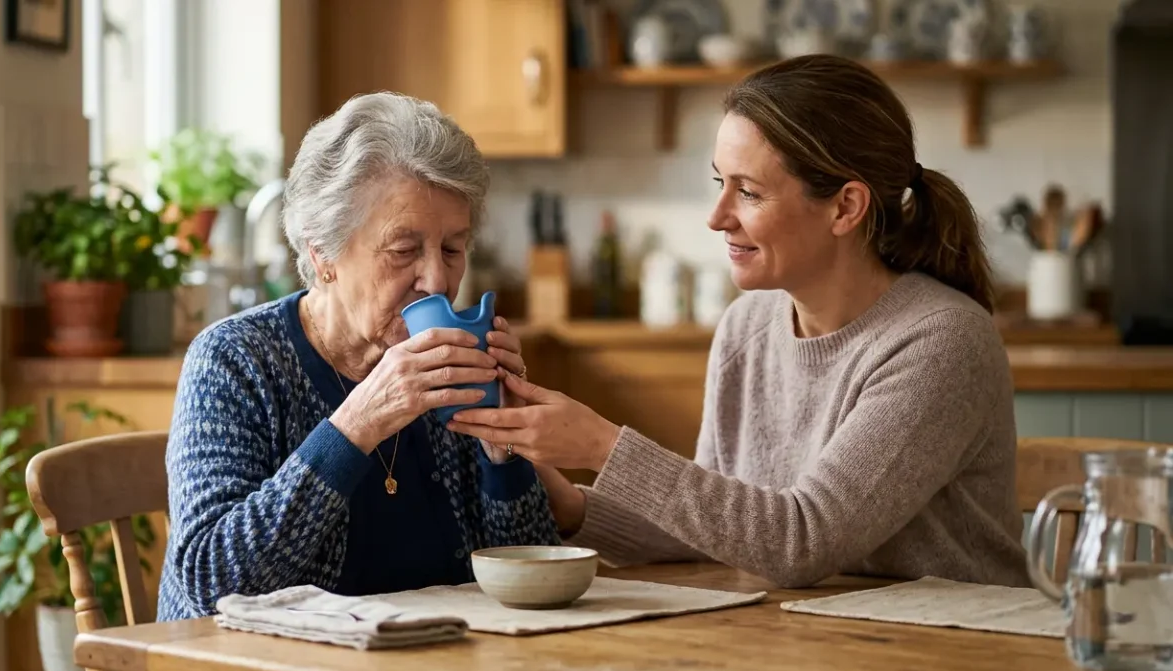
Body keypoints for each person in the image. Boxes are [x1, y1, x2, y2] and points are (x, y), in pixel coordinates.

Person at [447, 55, 1029, 588]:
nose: (717, 216)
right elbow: (717, 523)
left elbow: (802, 540)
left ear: (846, 207)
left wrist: (603, 445)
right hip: (812, 644)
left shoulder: (942, 342)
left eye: (748, 192)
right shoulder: (746, 328)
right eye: (719, 183)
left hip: (952, 652)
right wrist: (570, 501)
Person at [156, 92, 559, 621]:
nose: (437, 280)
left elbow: (530, 584)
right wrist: (358, 423)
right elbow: (215, 584)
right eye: (404, 250)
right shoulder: (233, 362)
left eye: (453, 249)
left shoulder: (453, 371)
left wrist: (500, 448)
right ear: (322, 252)